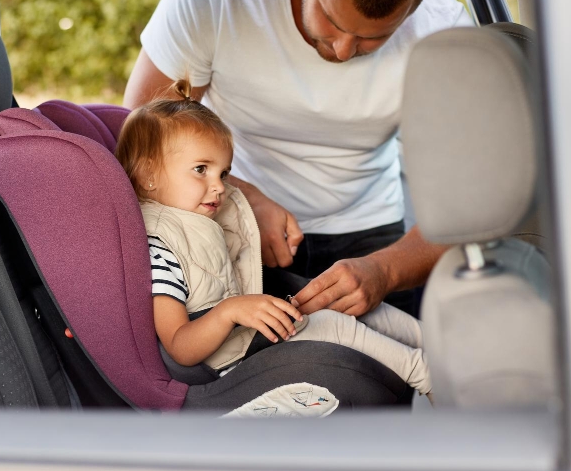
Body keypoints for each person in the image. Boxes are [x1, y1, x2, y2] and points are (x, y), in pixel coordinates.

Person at [123, 0, 474, 319]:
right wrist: (241, 197)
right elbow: (142, 136)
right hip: (229, 221)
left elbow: (468, 205)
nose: (342, 50)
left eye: (371, 38)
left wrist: (385, 270)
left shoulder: (444, 34)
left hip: (371, 232)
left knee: (385, 376)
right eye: (330, 18)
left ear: (415, 10)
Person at [114, 81, 432, 398]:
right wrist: (230, 311)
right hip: (228, 363)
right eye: (201, 170)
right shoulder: (159, 251)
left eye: (223, 173)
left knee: (351, 305)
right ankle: (426, 374)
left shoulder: (201, 224)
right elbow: (180, 347)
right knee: (330, 324)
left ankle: (435, 345)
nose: (220, 186)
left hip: (246, 335)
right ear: (149, 176)